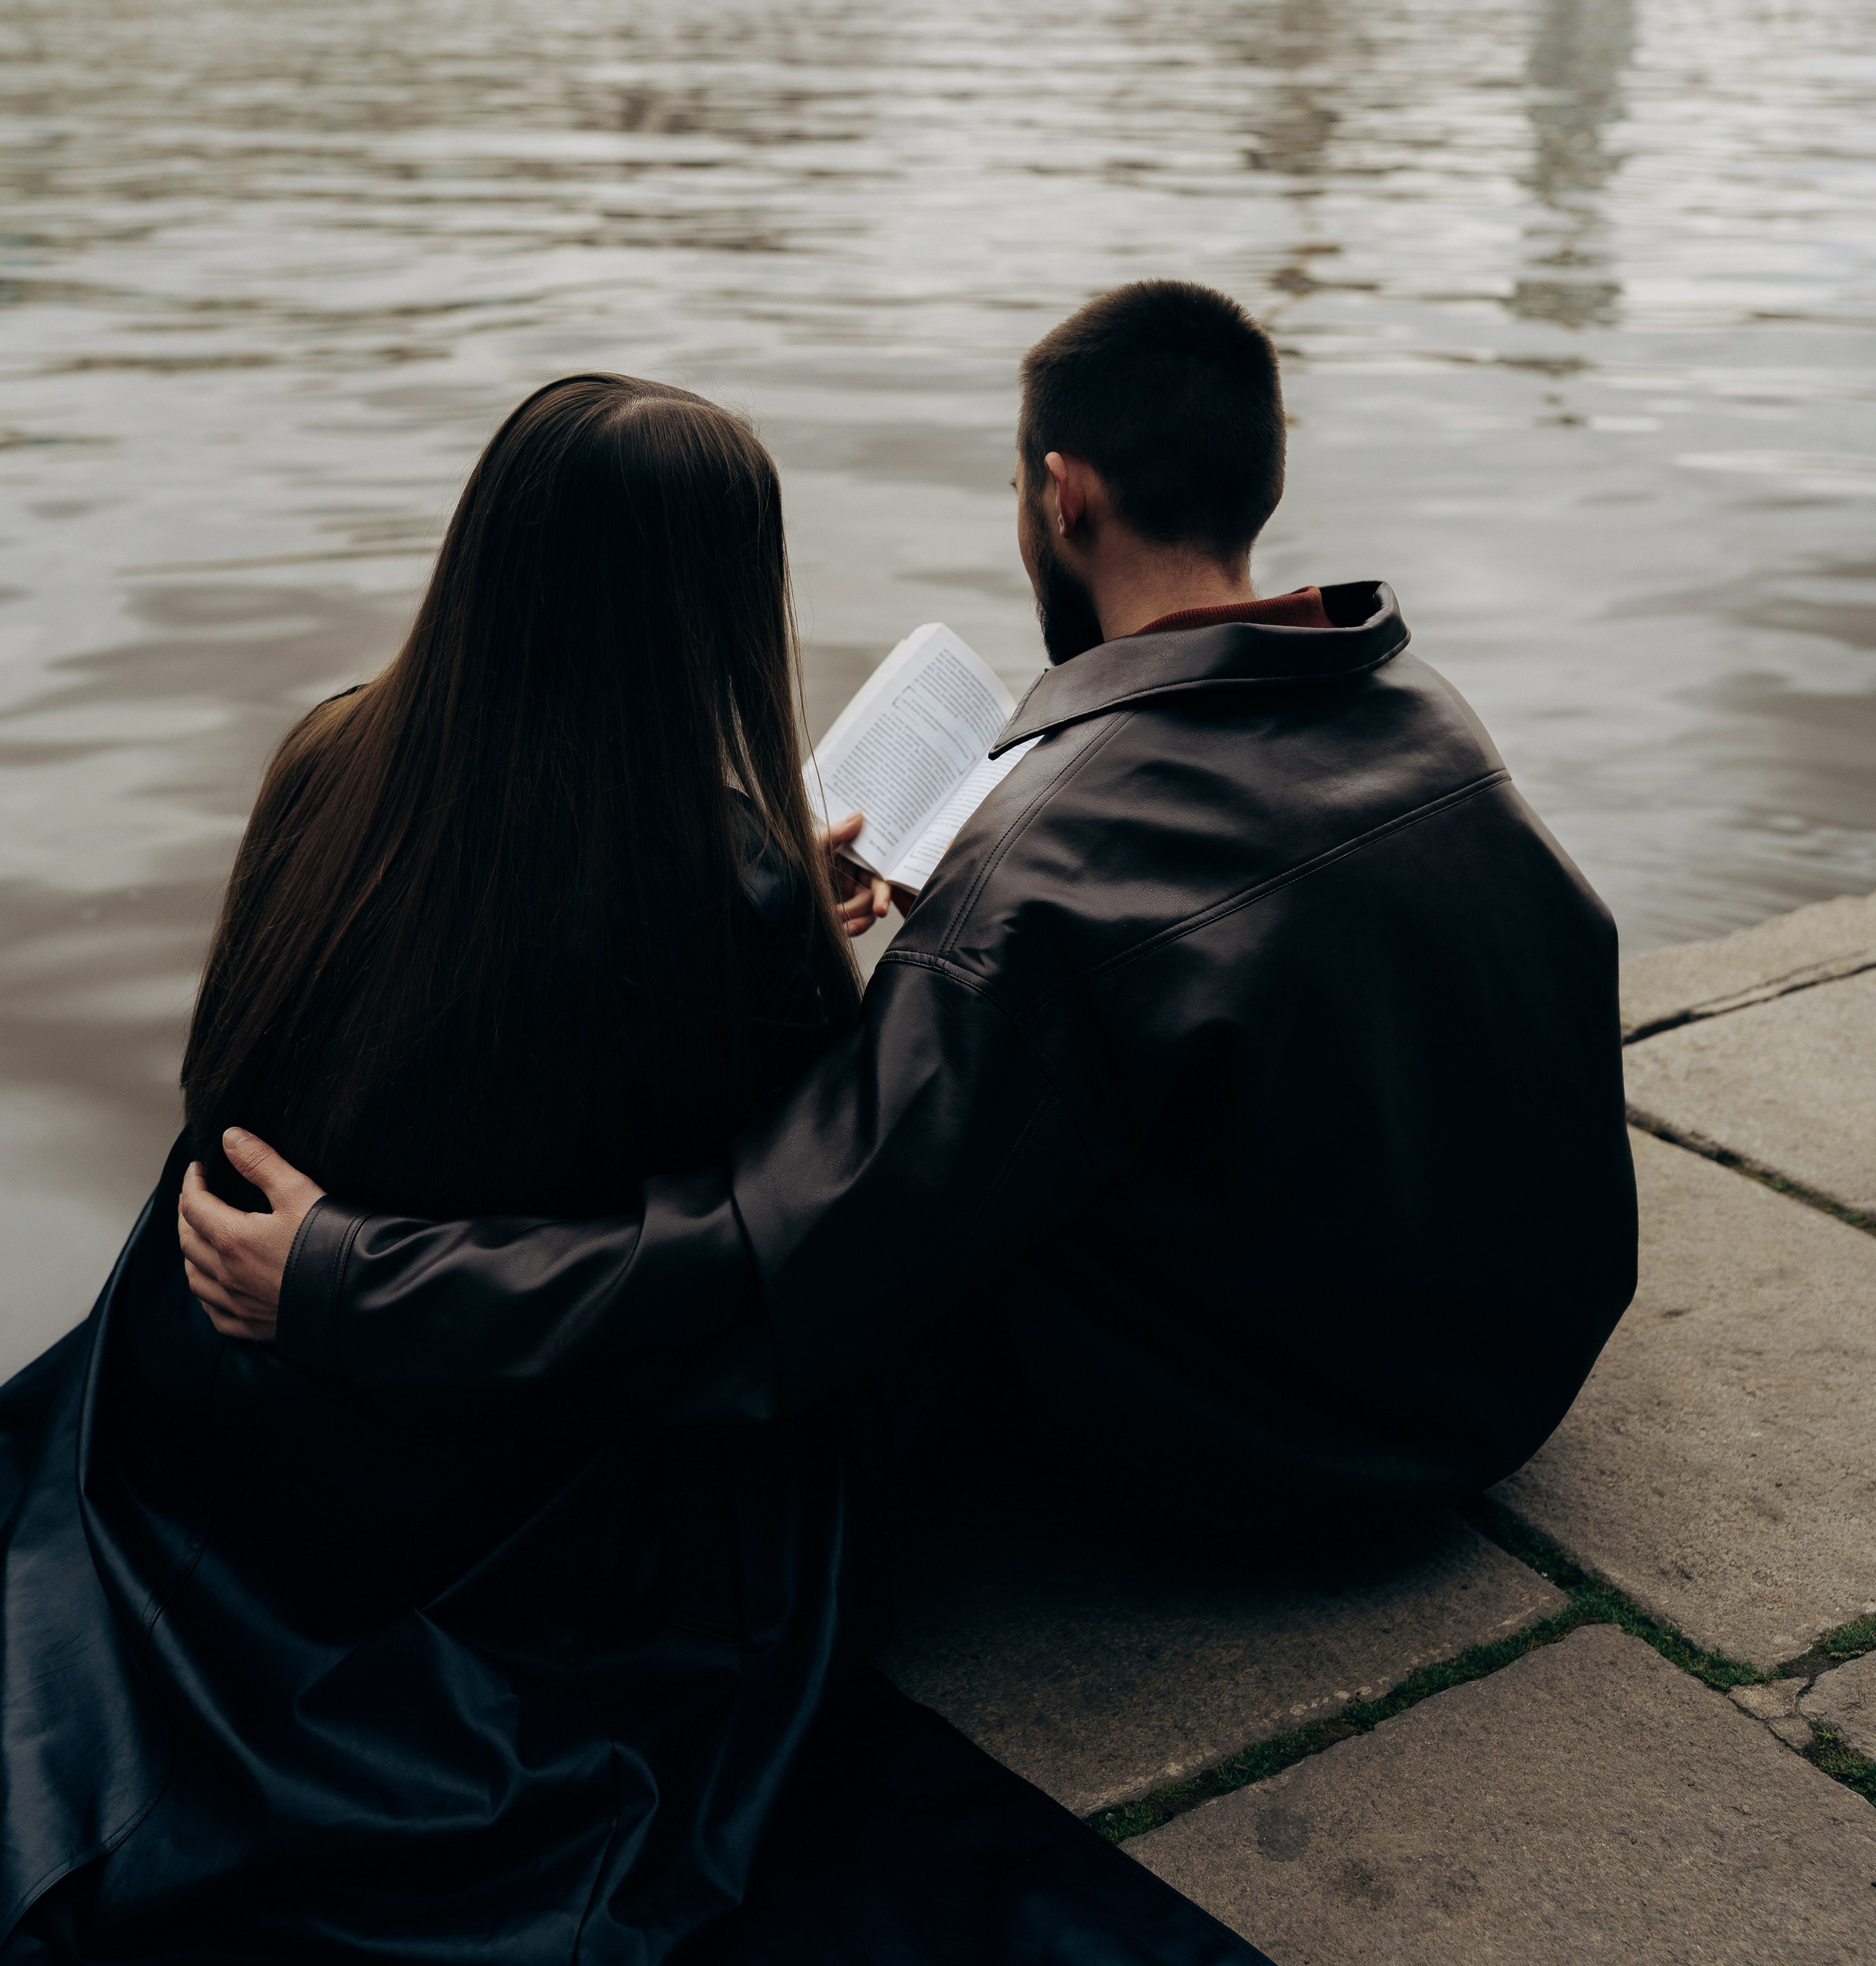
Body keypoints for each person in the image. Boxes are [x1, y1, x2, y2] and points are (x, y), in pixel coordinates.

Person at [0, 370, 1251, 1966]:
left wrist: (773, 898)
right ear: (718, 599)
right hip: (493, 1468)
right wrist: (801, 938)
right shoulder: (709, 880)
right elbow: (766, 1235)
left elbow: (252, 1056)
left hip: (237, 1404)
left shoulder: (327, 759)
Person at [184, 281, 1638, 1550]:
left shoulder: (1037, 871)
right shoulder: (1427, 718)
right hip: (1513, 1387)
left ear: (1059, 495)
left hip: (1279, 1466)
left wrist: (347, 1278)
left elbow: (776, 1267)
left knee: (907, 1254)